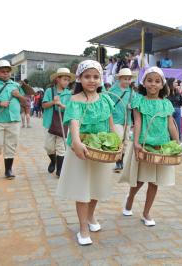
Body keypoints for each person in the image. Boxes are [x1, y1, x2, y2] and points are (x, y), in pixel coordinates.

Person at [56, 60, 116, 245]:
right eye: (87, 76)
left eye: (96, 76)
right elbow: (74, 123)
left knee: (96, 187)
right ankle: (82, 227)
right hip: (81, 150)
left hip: (101, 149)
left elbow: (111, 124)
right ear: (80, 79)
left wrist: (116, 143)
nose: (92, 80)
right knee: (82, 189)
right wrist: (76, 141)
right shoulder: (75, 100)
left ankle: (90, 217)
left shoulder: (106, 99)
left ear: (100, 79)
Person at [120, 67, 179, 227]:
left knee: (154, 182)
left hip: (161, 146)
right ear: (143, 83)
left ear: (162, 85)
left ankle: (146, 212)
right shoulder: (139, 100)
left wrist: (177, 142)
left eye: (157, 81)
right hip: (145, 145)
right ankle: (130, 197)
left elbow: (171, 124)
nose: (153, 84)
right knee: (140, 179)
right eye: (149, 80)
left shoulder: (166, 103)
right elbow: (137, 122)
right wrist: (137, 142)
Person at [0, 60, 27, 179]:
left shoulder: (16, 85)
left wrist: (18, 95)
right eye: (3, 72)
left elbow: (25, 102)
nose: (5, 74)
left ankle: (8, 170)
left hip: (14, 120)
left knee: (11, 145)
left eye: (7, 72)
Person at [42, 68, 74, 178]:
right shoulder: (49, 91)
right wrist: (53, 102)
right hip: (49, 122)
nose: (66, 82)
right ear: (57, 79)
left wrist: (61, 105)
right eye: (64, 79)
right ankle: (53, 160)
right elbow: (44, 105)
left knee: (61, 147)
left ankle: (59, 170)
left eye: (68, 80)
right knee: (49, 147)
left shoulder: (70, 94)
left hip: (63, 123)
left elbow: (71, 109)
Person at [108, 68, 134, 173]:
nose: (127, 81)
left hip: (127, 120)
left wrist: (131, 105)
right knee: (118, 139)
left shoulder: (131, 91)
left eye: (129, 79)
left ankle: (120, 162)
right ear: (120, 79)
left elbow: (134, 103)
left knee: (125, 141)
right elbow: (108, 105)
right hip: (116, 120)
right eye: (125, 79)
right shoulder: (112, 91)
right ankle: (117, 161)